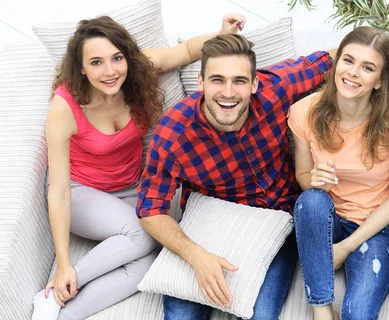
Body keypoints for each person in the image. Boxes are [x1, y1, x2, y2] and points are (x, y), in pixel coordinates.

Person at [136, 27, 389, 319]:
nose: (228, 93)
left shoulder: (278, 88)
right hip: (212, 223)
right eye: (217, 80)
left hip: (275, 221)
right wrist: (197, 256)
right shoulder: (173, 133)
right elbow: (150, 210)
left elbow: (329, 60)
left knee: (262, 315)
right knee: (181, 316)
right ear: (201, 82)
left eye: (239, 81)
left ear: (255, 83)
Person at [33, 13, 247, 320]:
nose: (109, 71)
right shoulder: (65, 106)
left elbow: (187, 51)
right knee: (141, 234)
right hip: (80, 192)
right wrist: (64, 263)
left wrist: (221, 34)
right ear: (80, 67)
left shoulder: (137, 74)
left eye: (116, 58)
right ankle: (56, 289)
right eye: (96, 62)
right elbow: (59, 190)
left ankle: (59, 313)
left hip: (132, 187)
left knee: (149, 262)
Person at [288, 26, 389, 320]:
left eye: (368, 67)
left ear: (379, 81)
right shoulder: (303, 112)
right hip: (327, 218)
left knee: (358, 315)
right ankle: (321, 312)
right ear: (336, 65)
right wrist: (315, 181)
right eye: (348, 61)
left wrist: (345, 249)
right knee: (310, 200)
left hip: (377, 228)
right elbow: (302, 175)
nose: (352, 73)